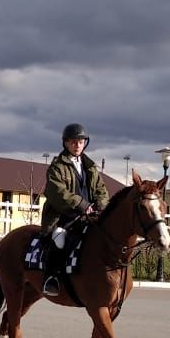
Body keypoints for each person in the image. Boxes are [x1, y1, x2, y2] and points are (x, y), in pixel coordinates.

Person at [39, 122, 110, 296]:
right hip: (63, 216)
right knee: (60, 239)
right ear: (65, 143)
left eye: (81, 141)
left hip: (89, 215)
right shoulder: (57, 167)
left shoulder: (91, 167)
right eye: (73, 142)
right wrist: (81, 204)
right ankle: (51, 278)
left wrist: (101, 205)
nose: (77, 145)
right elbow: (57, 192)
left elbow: (101, 190)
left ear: (85, 143)